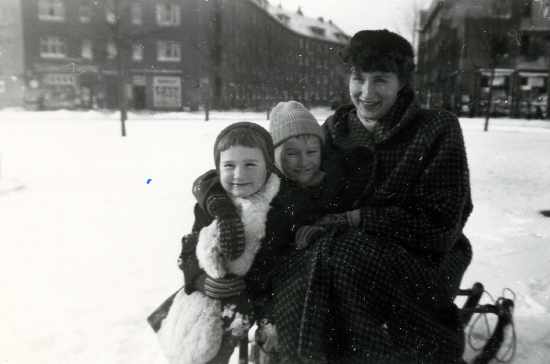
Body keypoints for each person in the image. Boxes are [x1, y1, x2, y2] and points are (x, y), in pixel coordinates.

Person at [268, 29, 473, 364]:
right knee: (300, 255)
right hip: (340, 252)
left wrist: (358, 218)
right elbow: (286, 178)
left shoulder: (436, 129)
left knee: (343, 258)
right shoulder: (335, 129)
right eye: (358, 78)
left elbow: (440, 225)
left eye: (380, 80)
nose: (366, 92)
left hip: (426, 257)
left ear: (402, 82)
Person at [171, 122, 316, 364]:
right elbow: (190, 250)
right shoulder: (214, 206)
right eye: (229, 165)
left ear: (268, 167)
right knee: (204, 342)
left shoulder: (285, 202)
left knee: (277, 344)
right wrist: (199, 279)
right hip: (226, 296)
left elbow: (297, 251)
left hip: (273, 297)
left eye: (250, 164)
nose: (239, 175)